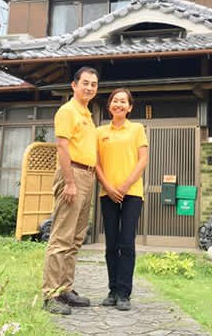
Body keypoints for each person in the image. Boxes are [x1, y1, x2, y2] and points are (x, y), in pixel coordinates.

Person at [42, 66, 99, 315]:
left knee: (76, 238)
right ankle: (51, 294)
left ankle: (65, 289)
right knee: (61, 237)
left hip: (87, 175)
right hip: (73, 174)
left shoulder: (86, 112)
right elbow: (62, 148)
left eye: (93, 84)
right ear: (74, 85)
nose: (89, 87)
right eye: (85, 83)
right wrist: (70, 182)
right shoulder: (67, 111)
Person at [95, 88, 148, 311]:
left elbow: (142, 160)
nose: (119, 104)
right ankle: (112, 290)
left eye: (123, 101)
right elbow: (95, 163)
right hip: (107, 194)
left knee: (127, 243)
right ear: (109, 106)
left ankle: (124, 293)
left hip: (132, 194)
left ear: (130, 107)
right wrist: (108, 186)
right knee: (111, 244)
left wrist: (125, 186)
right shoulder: (99, 132)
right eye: (115, 101)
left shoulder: (137, 129)